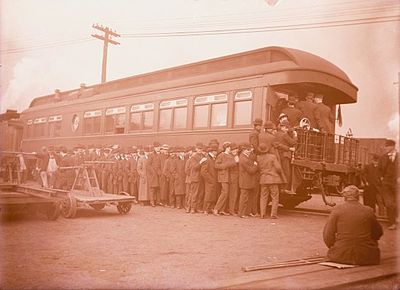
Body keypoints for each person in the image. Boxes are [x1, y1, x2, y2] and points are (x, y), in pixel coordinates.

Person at [323, 185, 383, 265]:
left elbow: (327, 235)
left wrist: (337, 246)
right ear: (358, 197)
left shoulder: (337, 210)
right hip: (366, 256)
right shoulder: (368, 211)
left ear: (345, 197)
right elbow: (378, 233)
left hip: (340, 256)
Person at [257, 143, 286, 219]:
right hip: (272, 179)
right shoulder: (272, 157)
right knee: (275, 197)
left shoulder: (258, 158)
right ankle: (273, 214)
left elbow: (258, 168)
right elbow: (278, 168)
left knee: (263, 197)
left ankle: (262, 214)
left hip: (263, 179)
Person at [378, 139, 398, 230]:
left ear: (393, 146)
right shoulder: (383, 158)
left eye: (387, 146)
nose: (386, 148)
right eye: (386, 146)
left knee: (396, 203)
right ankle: (392, 223)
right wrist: (382, 178)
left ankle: (395, 219)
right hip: (386, 183)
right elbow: (379, 170)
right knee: (389, 204)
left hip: (397, 183)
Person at [213, 142, 237, 216]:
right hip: (223, 177)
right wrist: (226, 165)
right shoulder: (221, 155)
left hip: (231, 177)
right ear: (227, 148)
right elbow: (216, 165)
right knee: (225, 192)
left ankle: (228, 210)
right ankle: (216, 209)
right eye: (230, 147)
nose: (231, 149)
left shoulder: (231, 155)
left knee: (232, 194)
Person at [238, 143, 258, 218]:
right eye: (248, 150)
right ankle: (241, 213)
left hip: (247, 181)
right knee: (244, 198)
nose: (249, 151)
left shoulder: (245, 157)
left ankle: (246, 212)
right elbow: (251, 171)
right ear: (244, 150)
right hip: (245, 181)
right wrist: (255, 165)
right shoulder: (243, 159)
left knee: (247, 197)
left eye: (249, 149)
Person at [200, 144, 219, 214]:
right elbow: (203, 172)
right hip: (209, 181)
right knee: (208, 194)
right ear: (213, 151)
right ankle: (206, 209)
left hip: (212, 180)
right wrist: (210, 179)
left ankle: (210, 208)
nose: (216, 152)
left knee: (212, 194)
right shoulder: (207, 158)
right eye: (216, 151)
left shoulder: (212, 158)